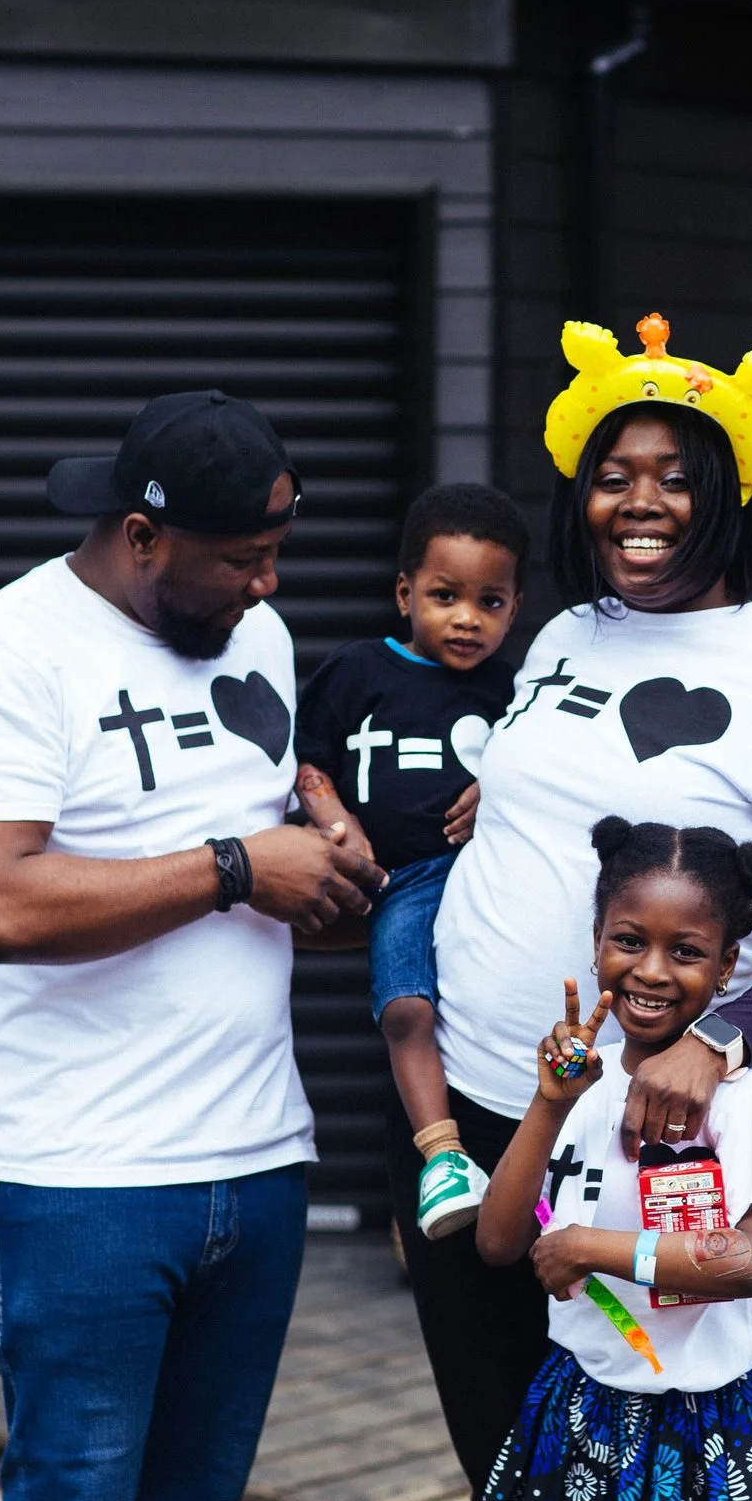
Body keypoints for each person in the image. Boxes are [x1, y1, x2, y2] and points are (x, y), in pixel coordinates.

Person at [0, 390, 387, 1501]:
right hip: (83, 1184)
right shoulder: (3, 654)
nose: (267, 585)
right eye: (241, 559)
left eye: (277, 552)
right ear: (140, 536)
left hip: (259, 1161)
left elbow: (271, 879)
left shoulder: (255, 637)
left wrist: (334, 872)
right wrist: (237, 865)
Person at [410, 312, 752, 1491]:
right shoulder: (561, 637)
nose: (640, 502)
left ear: (729, 493)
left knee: (641, 1485)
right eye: (613, 475)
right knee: (505, 1477)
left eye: (676, 477)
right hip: (485, 1116)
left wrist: (717, 1044)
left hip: (646, 1143)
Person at [460, 818, 752, 1501]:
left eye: (685, 950)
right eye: (628, 940)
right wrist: (550, 1103)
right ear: (596, 942)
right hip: (578, 1407)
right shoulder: (581, 1087)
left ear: (727, 965)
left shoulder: (743, 1096)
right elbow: (499, 1239)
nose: (651, 970)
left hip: (704, 1427)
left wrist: (594, 1246)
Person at [290, 483, 527, 1239]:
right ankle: (443, 1157)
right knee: (407, 1009)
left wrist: (499, 785)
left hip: (490, 878)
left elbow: (544, 766)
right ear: (405, 594)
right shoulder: (358, 670)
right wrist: (338, 825)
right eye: (445, 596)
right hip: (406, 882)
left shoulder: (514, 690)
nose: (467, 618)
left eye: (491, 602)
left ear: (515, 608)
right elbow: (308, 762)